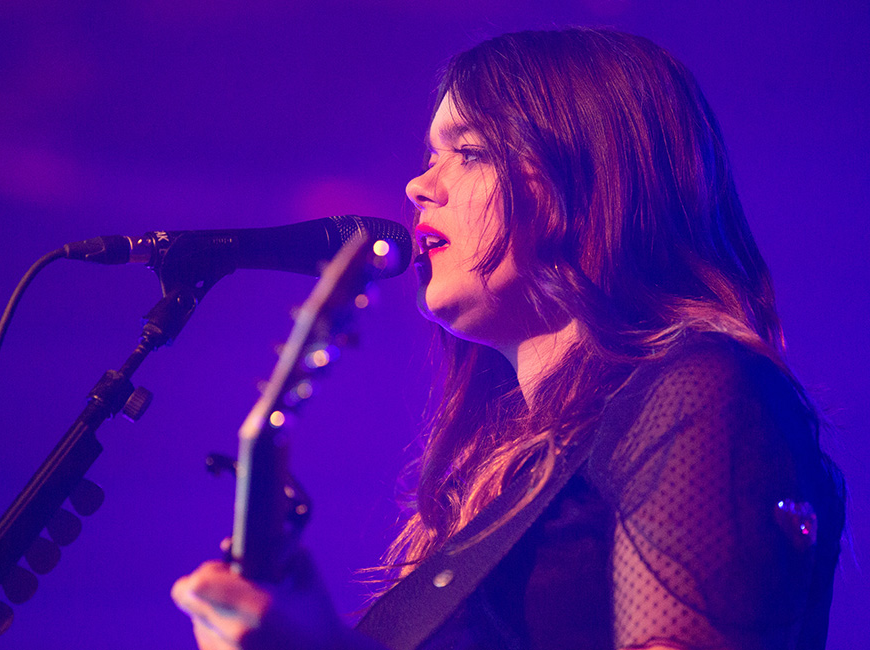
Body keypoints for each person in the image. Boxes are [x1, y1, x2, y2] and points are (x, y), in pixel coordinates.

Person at [170, 29, 845, 650]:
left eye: (468, 152)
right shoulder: (501, 482)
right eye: (432, 155)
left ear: (585, 181)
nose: (417, 185)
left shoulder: (699, 390)